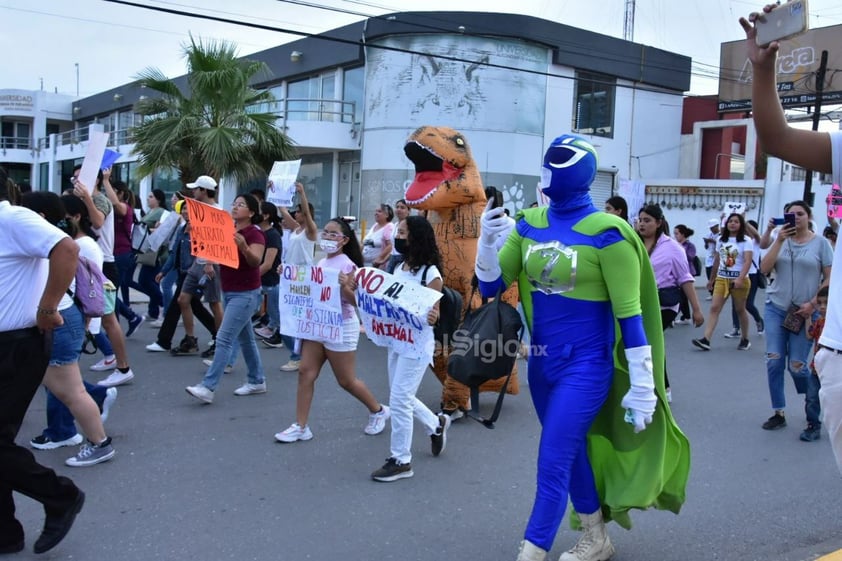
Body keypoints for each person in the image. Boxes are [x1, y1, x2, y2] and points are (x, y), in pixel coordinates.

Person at [475, 135, 689, 561]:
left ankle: (532, 550)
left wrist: (645, 384)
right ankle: (596, 538)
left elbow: (631, 316)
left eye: (555, 166)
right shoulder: (529, 223)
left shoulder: (608, 234)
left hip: (587, 367)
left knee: (551, 457)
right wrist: (485, 243)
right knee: (567, 450)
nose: (548, 173)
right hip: (542, 365)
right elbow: (491, 287)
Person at [742, 3, 842, 473]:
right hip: (836, 349)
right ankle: (788, 409)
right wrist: (764, 70)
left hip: (816, 322)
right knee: (778, 363)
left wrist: (816, 304)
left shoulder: (821, 242)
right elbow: (777, 138)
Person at [0, 166, 86, 555]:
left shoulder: (13, 216)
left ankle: (61, 496)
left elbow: (67, 248)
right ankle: (6, 532)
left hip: (18, 344)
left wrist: (48, 306)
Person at [19, 192, 116, 467]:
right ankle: (86, 426)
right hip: (59, 321)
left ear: (39, 216)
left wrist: (49, 309)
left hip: (58, 322)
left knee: (70, 391)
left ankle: (99, 442)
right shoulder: (46, 241)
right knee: (62, 388)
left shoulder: (54, 243)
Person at [274, 217, 389, 443]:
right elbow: (308, 290)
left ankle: (378, 411)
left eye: (332, 234)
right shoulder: (321, 264)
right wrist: (287, 275)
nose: (326, 237)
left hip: (341, 326)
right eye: (325, 232)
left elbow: (356, 302)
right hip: (317, 324)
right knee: (305, 372)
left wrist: (345, 285)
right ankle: (300, 426)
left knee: (346, 380)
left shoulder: (350, 267)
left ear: (344, 240)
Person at [369, 215, 450, 482]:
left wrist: (432, 315)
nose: (398, 237)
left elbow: (433, 310)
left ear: (416, 238)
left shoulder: (431, 274)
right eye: (398, 232)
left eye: (403, 233)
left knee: (400, 400)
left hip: (416, 345)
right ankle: (436, 424)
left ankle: (401, 460)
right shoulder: (398, 269)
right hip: (396, 340)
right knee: (400, 395)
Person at [185, 194, 268, 403]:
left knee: (223, 338)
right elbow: (216, 251)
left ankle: (208, 387)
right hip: (230, 291)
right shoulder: (230, 229)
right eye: (235, 204)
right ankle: (257, 380)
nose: (235, 207)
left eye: (241, 205)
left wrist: (244, 247)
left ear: (251, 212)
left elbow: (255, 261)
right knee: (246, 339)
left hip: (247, 294)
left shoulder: (254, 234)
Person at [757, 200, 831, 431]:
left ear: (809, 217)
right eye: (790, 214)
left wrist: (812, 303)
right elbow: (764, 269)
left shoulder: (821, 244)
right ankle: (778, 411)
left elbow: (830, 278)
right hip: (776, 308)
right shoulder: (781, 240)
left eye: (800, 214)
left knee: (798, 366)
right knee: (774, 360)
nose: (795, 218)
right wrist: (777, 239)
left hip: (805, 313)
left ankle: (813, 396)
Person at [638, 205, 705, 402]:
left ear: (659, 223)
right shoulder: (633, 242)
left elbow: (685, 279)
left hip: (664, 305)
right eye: (640, 219)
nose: (642, 224)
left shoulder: (672, 248)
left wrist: (697, 310)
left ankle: (664, 387)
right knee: (642, 344)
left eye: (647, 220)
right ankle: (646, 384)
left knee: (650, 343)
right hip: (638, 303)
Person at [172, 176, 223, 357]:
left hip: (211, 263)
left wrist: (209, 262)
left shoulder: (216, 212)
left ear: (203, 190)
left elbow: (218, 239)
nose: (193, 192)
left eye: (196, 189)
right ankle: (190, 339)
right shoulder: (200, 210)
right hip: (198, 261)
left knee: (214, 303)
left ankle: (220, 341)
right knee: (183, 299)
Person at [692, 213, 754, 352]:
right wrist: (712, 279)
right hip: (722, 278)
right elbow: (718, 259)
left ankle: (745, 338)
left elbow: (748, 261)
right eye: (730, 221)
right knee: (714, 308)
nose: (733, 224)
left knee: (740, 309)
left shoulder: (746, 240)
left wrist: (740, 278)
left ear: (741, 224)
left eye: (736, 221)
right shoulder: (721, 239)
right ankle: (706, 339)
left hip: (739, 279)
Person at [277, 183, 318, 371]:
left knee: (295, 317)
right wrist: (277, 189)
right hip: (290, 276)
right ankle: (299, 354)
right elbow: (282, 209)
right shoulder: (295, 229)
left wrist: (302, 193)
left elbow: (308, 216)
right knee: (286, 315)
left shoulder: (310, 230)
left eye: (299, 212)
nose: (296, 214)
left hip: (303, 277)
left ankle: (298, 356)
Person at [724, 219, 765, 339]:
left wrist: (744, 221)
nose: (746, 230)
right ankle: (736, 328)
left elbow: (757, 235)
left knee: (748, 304)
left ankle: (758, 320)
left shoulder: (755, 241)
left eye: (748, 228)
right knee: (735, 303)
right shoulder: (739, 241)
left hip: (752, 275)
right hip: (736, 274)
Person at [253, 201, 284, 347]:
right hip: (262, 280)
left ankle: (281, 337)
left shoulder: (272, 235)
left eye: (258, 211)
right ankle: (271, 328)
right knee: (271, 311)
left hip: (270, 280)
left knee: (276, 312)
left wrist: (249, 277)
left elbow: (267, 264)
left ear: (265, 216)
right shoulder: (258, 233)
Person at [804, 286, 829, 442]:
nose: (822, 307)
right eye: (819, 303)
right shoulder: (819, 322)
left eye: (826, 303)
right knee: (812, 397)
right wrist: (807, 317)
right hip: (816, 368)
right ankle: (813, 425)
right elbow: (809, 335)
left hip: (834, 369)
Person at [672, 224, 698, 325]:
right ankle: (686, 316)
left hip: (688, 273)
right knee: (683, 296)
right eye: (674, 234)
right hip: (677, 272)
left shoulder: (689, 246)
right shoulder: (674, 244)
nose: (675, 236)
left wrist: (680, 251)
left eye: (677, 234)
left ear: (683, 234)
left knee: (682, 296)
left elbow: (690, 257)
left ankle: (673, 317)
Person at [361, 203, 394, 269]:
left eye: (379, 211)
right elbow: (364, 243)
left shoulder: (389, 227)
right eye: (376, 211)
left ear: (387, 215)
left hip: (377, 267)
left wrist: (379, 259)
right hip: (365, 264)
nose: (376, 213)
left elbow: (390, 246)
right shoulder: (375, 225)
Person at [385, 199, 411, 273]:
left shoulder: (410, 225)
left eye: (402, 207)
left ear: (408, 211)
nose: (399, 209)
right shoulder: (395, 225)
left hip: (404, 257)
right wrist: (385, 259)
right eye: (397, 207)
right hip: (393, 258)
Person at [702, 218, 721, 301]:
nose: (711, 229)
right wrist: (706, 242)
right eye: (710, 228)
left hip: (717, 258)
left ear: (717, 226)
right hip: (709, 258)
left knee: (716, 277)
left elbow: (722, 244)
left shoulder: (721, 235)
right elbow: (706, 247)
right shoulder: (709, 234)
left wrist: (712, 241)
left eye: (713, 227)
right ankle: (712, 293)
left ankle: (717, 294)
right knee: (709, 275)